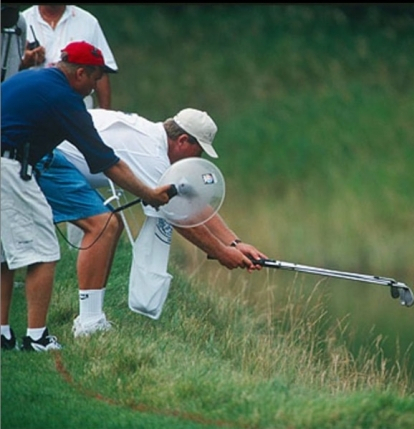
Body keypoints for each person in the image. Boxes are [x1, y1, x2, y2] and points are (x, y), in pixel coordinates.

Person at [1, 41, 172, 352]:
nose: (96, 86)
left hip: (8, 160)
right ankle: (37, 338)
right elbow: (106, 162)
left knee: (4, 253)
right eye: (95, 78)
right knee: (43, 252)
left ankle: (2, 334)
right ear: (79, 73)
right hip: (9, 167)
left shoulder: (33, 78)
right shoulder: (64, 99)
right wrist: (150, 194)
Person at [35, 107, 267, 336]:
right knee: (104, 226)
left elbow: (192, 202)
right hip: (45, 155)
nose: (198, 160)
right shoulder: (152, 155)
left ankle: (92, 318)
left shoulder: (154, 140)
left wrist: (235, 243)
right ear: (183, 140)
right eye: (198, 153)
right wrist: (222, 253)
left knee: (110, 226)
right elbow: (177, 214)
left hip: (51, 150)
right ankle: (88, 322)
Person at [21, 4, 117, 109]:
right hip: (33, 108)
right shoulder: (22, 21)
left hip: (77, 109)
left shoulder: (88, 21)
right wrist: (24, 62)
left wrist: (105, 114)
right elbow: (6, 71)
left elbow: (100, 72)